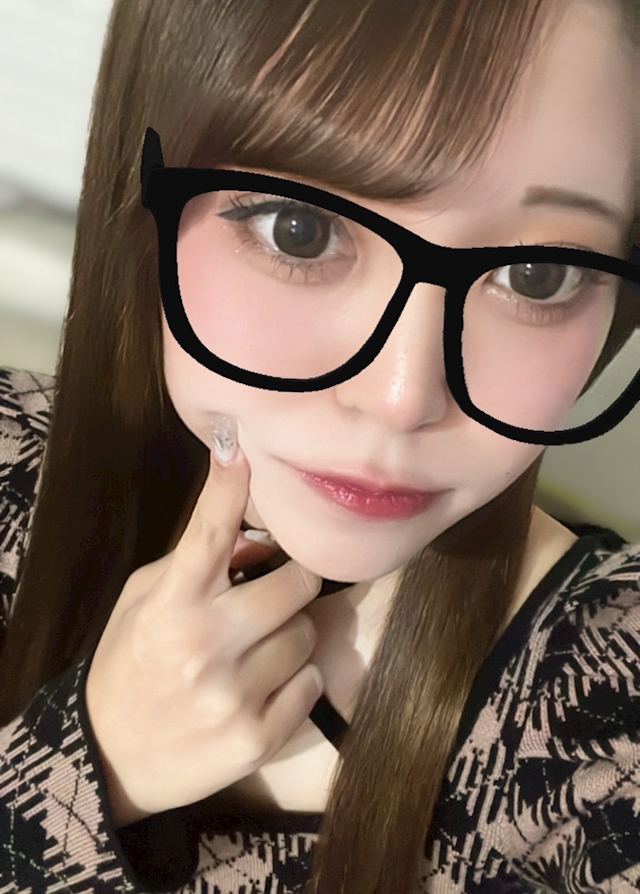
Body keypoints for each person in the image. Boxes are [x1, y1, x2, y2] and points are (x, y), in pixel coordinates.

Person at [0, 0, 638, 890]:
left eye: (537, 274)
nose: (402, 398)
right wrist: (84, 769)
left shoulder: (611, 716)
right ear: (142, 186)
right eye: (300, 230)